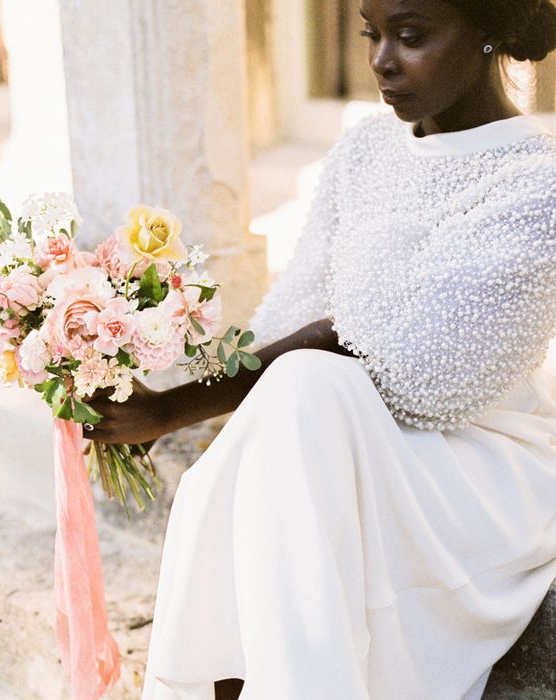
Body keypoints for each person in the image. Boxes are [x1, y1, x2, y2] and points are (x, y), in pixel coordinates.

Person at [85, 0, 556, 697]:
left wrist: (173, 412)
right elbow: (294, 314)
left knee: (303, 391)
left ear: (488, 31)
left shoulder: (537, 182)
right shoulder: (364, 148)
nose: (380, 61)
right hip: (333, 434)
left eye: (411, 36)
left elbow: (421, 381)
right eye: (371, 34)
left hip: (470, 465)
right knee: (281, 417)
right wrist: (114, 350)